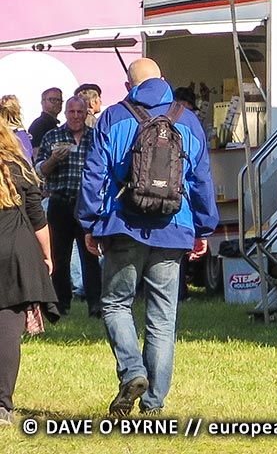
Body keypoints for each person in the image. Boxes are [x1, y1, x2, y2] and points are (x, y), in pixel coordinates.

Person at [80, 58, 216, 419]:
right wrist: (203, 228)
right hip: (174, 227)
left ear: (130, 86)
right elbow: (201, 180)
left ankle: (132, 372)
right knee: (162, 319)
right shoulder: (188, 120)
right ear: (163, 81)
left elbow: (94, 173)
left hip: (123, 223)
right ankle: (153, 403)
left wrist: (90, 221)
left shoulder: (113, 117)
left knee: (115, 304)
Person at [0, 126, 58, 427]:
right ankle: (2, 405)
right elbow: (37, 217)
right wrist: (47, 255)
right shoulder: (19, 165)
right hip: (15, 254)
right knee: (7, 331)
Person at [34, 97, 101, 316]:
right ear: (65, 113)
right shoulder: (52, 136)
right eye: (71, 112)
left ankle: (95, 304)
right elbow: (39, 171)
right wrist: (53, 159)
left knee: (91, 255)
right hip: (60, 202)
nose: (75, 116)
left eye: (79, 112)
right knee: (59, 257)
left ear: (85, 114)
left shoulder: (95, 137)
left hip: (87, 204)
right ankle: (60, 303)